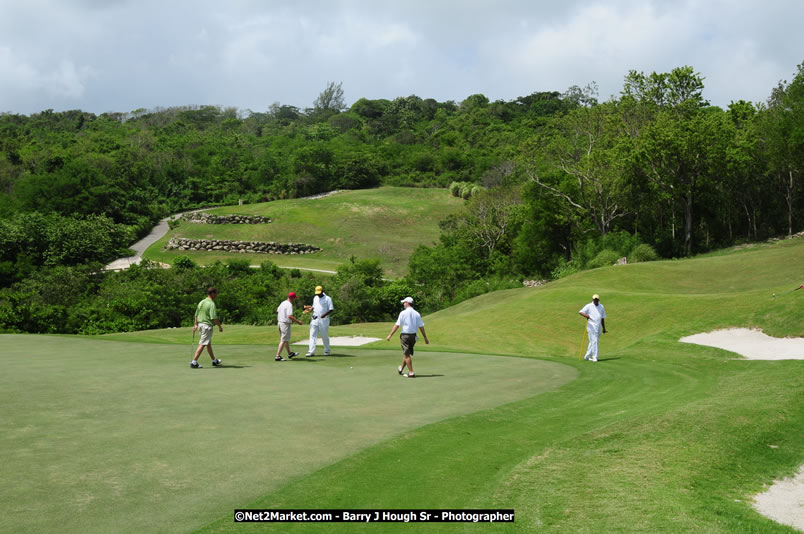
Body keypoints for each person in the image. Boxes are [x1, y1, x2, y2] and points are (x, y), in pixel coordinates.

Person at [385, 296, 429, 378]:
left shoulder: (403, 313)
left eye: (404, 302)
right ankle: (401, 368)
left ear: (408, 303)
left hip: (405, 336)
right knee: (407, 354)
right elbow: (421, 327)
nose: (403, 304)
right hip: (413, 336)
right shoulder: (417, 313)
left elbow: (397, 325)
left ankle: (411, 372)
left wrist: (390, 335)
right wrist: (425, 337)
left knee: (406, 354)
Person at [191, 287, 223, 368]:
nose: (217, 295)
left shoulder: (202, 302)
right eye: (216, 293)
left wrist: (195, 324)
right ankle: (194, 362)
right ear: (212, 293)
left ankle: (214, 361)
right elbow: (214, 317)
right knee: (202, 343)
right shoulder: (211, 304)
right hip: (206, 326)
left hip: (200, 325)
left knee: (207, 343)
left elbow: (196, 314)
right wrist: (219, 326)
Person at [304, 285, 334, 357]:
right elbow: (314, 306)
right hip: (315, 318)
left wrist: (324, 314)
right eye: (317, 293)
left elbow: (331, 309)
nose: (318, 294)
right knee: (312, 335)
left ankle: (327, 350)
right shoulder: (315, 298)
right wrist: (309, 309)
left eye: (319, 293)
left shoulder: (327, 298)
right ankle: (311, 351)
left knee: (324, 335)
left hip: (324, 320)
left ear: (322, 291)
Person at [578, 293, 607, 362]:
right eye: (594, 299)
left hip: (598, 326)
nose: (595, 300)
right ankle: (595, 357)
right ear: (592, 299)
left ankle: (587, 356)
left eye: (597, 299)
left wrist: (604, 328)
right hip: (591, 325)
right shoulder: (589, 306)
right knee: (595, 341)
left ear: (599, 299)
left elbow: (602, 318)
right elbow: (580, 312)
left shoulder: (601, 306)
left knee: (592, 342)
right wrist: (586, 316)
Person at [276, 292, 303, 361]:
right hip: (285, 323)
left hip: (279, 322)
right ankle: (277, 356)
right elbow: (289, 316)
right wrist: (298, 322)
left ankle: (289, 353)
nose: (294, 300)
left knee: (286, 340)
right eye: (294, 298)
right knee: (284, 340)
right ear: (292, 298)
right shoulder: (289, 305)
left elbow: (277, 310)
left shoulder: (283, 302)